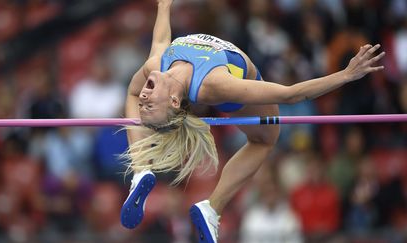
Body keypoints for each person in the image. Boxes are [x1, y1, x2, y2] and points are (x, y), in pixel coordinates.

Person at [120, 0, 385, 242]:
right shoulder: (214, 86)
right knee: (264, 140)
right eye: (150, 103)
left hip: (214, 72)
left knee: (130, 89)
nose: (144, 95)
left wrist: (164, 5)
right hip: (237, 90)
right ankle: (212, 208)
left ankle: (141, 171)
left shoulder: (157, 64)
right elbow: (290, 94)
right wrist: (346, 75)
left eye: (144, 102)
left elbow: (159, 41)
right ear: (175, 102)